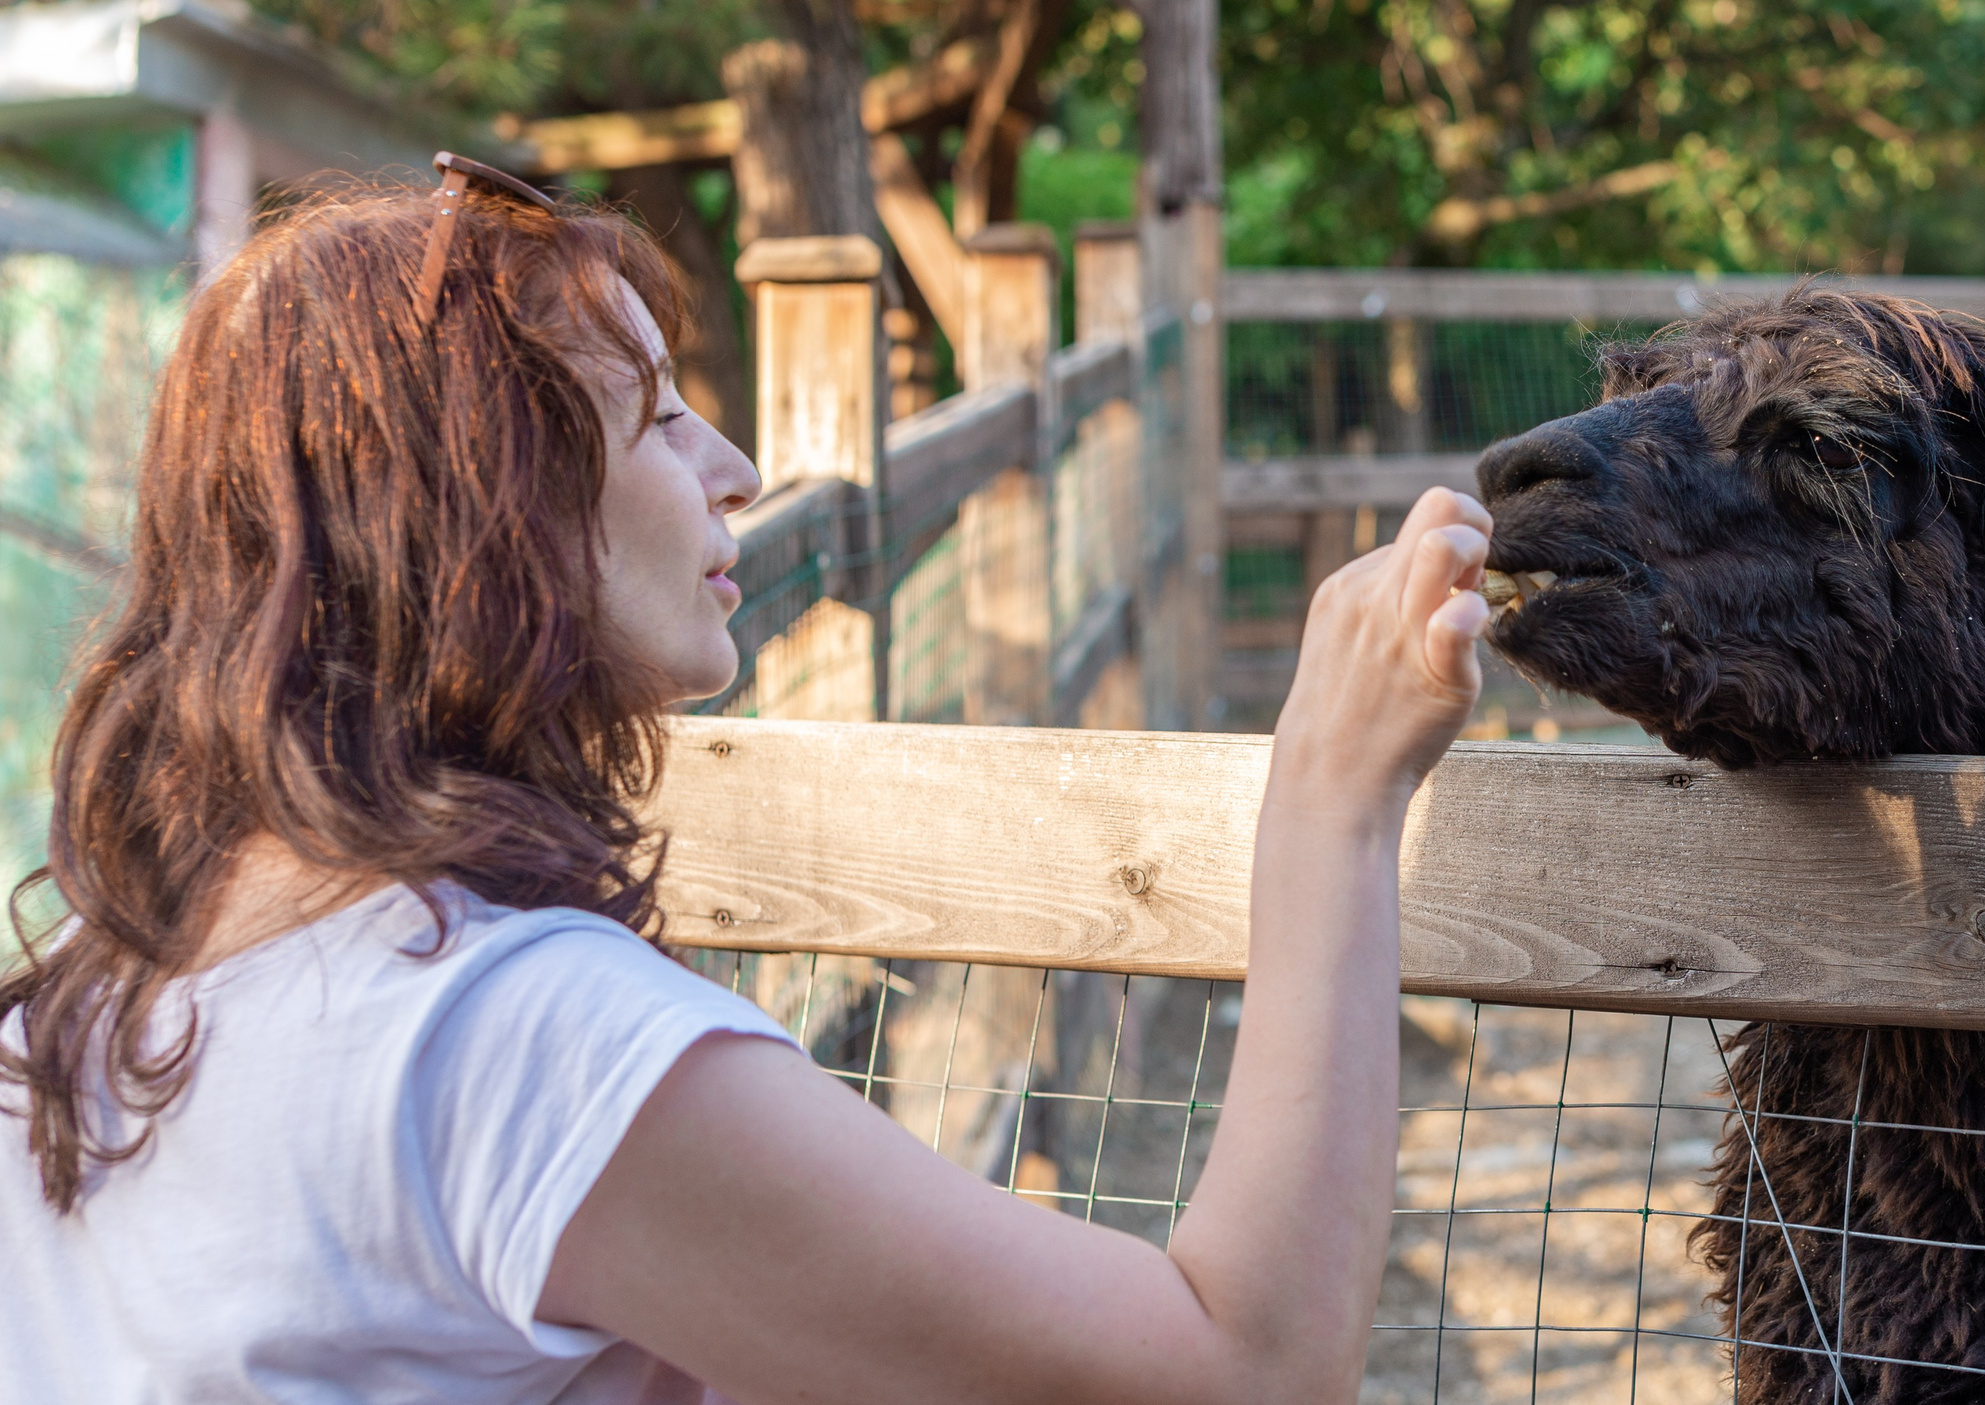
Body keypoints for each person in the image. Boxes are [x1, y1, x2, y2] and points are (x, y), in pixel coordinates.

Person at [0, 171, 1496, 1403]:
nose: (735, 462)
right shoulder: (515, 1034)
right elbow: (1242, 1372)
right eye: (653, 416)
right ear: (491, 509)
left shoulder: (83, 989)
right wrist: (1332, 792)